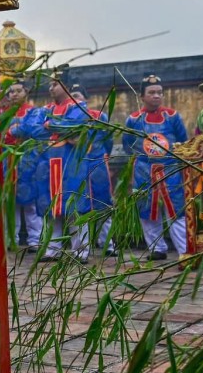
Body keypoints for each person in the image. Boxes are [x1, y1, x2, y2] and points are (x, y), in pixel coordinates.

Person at [17, 80, 92, 261]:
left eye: (55, 84)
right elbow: (32, 129)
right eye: (49, 85)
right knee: (50, 208)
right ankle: (52, 249)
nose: (51, 88)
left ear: (65, 85)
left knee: (75, 208)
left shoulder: (79, 108)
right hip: (48, 165)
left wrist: (50, 125)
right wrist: (59, 128)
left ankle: (80, 251)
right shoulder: (44, 110)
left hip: (71, 164)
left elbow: (74, 125)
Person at [123, 75, 189, 261]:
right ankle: (157, 249)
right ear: (142, 96)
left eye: (159, 92)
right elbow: (128, 145)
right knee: (146, 210)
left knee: (176, 209)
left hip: (170, 169)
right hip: (144, 170)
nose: (156, 96)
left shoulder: (173, 116)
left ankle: (184, 251)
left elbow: (183, 141)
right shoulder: (133, 120)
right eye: (151, 92)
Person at [71, 85, 117, 257]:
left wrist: (103, 158)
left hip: (97, 165)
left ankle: (108, 244)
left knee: (103, 204)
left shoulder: (99, 116)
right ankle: (82, 250)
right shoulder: (67, 119)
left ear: (85, 99)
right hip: (77, 166)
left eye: (77, 95)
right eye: (71, 96)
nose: (74, 99)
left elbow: (109, 141)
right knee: (79, 206)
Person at [1, 81, 38, 248]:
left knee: (31, 203)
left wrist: (10, 133)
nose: (14, 94)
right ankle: (11, 240)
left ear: (26, 92)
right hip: (7, 161)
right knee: (10, 202)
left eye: (18, 91)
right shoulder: (3, 113)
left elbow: (31, 131)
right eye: (11, 92)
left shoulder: (33, 111)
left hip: (28, 159)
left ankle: (35, 240)